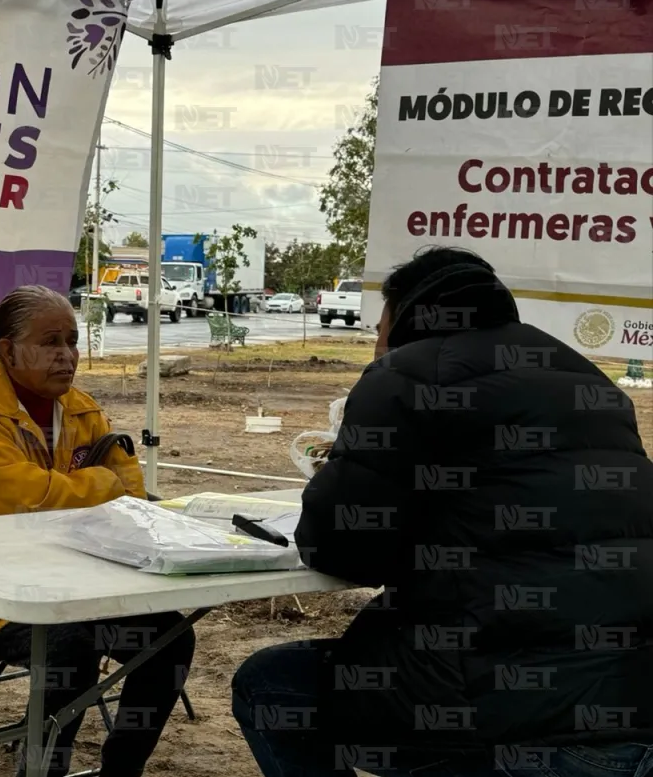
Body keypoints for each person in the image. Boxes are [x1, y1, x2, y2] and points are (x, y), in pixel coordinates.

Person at [233, 246, 653, 776]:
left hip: (502, 706)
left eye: (378, 329)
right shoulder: (584, 376)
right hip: (633, 693)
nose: (376, 343)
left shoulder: (405, 375)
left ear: (404, 315)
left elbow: (337, 547)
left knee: (272, 684)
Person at [0, 285, 196, 777]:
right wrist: (98, 484)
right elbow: (24, 500)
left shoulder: (82, 408)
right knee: (71, 644)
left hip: (78, 584)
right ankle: (40, 770)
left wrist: (85, 489)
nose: (67, 355)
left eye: (72, 341)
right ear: (8, 350)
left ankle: (121, 770)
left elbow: (132, 498)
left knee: (169, 639)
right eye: (51, 342)